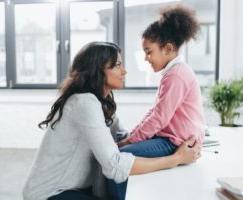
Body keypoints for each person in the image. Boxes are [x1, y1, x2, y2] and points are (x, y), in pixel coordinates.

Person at [22, 42, 201, 200]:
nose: (124, 70)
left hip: (76, 188)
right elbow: (114, 164)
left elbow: (122, 138)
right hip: (51, 193)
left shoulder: (99, 102)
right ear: (97, 71)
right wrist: (176, 158)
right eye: (117, 65)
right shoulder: (84, 103)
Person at [110, 4, 206, 200]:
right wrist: (134, 134)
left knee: (119, 158)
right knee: (123, 144)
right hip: (170, 138)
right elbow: (155, 111)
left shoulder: (176, 75)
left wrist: (129, 141)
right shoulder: (174, 72)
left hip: (174, 142)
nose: (146, 58)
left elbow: (158, 118)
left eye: (149, 51)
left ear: (168, 48)